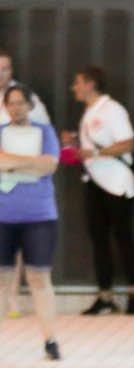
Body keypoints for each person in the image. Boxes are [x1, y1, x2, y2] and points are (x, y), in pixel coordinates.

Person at [71, 66, 134, 316]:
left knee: (123, 237)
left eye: (78, 83)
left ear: (91, 84)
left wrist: (97, 153)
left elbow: (127, 143)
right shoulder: (89, 112)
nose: (74, 88)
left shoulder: (112, 109)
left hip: (116, 182)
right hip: (94, 180)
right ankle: (105, 295)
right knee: (99, 240)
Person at [0, 84, 61, 359]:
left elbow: (49, 164)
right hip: (4, 215)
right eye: (10, 103)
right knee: (3, 278)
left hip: (39, 215)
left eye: (20, 103)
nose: (15, 108)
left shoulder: (44, 132)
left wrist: (11, 163)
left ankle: (50, 340)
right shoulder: (1, 133)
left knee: (38, 276)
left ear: (30, 105)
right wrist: (30, 163)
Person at [0, 49, 51, 319]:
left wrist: (20, 161)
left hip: (20, 179)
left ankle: (13, 298)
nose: (1, 74)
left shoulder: (27, 100)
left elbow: (42, 134)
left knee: (16, 239)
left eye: (5, 69)